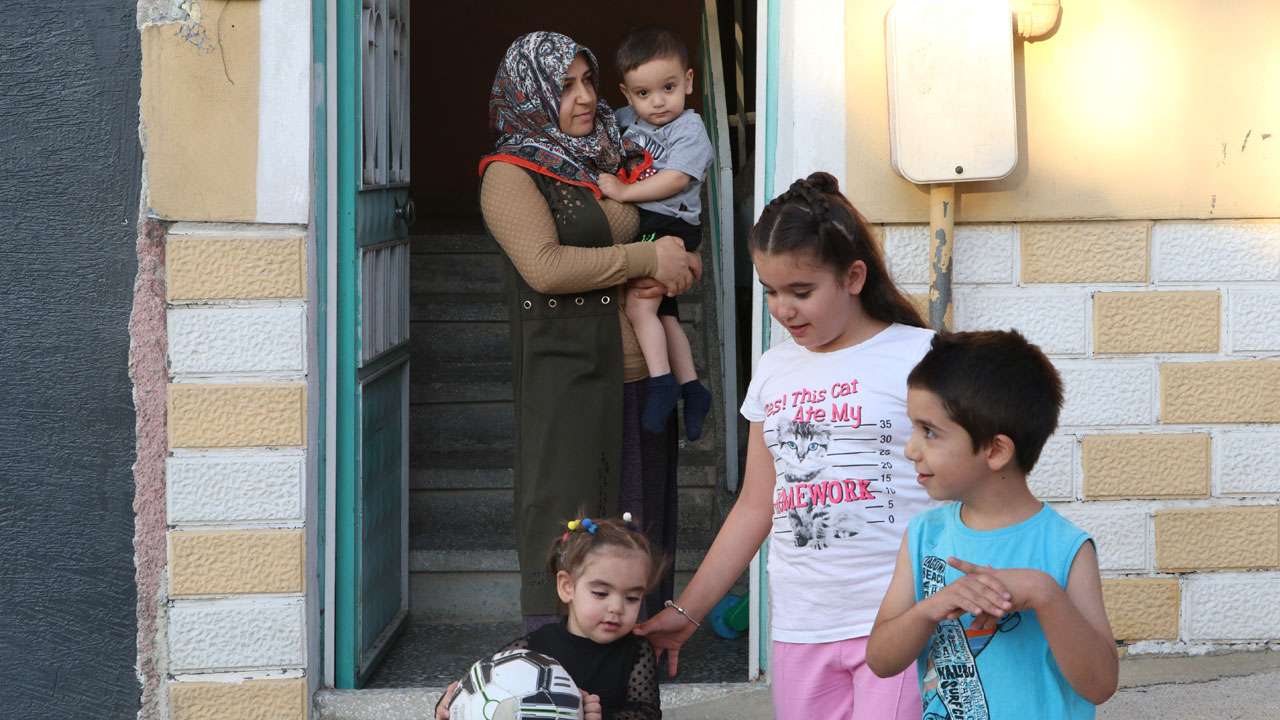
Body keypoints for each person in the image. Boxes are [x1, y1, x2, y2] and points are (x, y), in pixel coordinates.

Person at [636, 172, 935, 720]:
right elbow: (756, 505)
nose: (783, 310)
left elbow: (967, 490)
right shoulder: (774, 369)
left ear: (853, 276)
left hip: (901, 622)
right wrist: (688, 611)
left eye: (801, 292)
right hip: (801, 626)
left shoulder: (922, 357)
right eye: (770, 291)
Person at [479, 32, 700, 632]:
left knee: (641, 529)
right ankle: (565, 670)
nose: (583, 97)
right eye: (564, 86)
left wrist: (681, 261)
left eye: (588, 81)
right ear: (529, 94)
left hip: (639, 382)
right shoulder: (509, 174)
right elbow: (546, 268)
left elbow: (663, 231)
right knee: (575, 532)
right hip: (570, 385)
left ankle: (639, 662)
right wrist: (648, 262)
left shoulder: (614, 153)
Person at [866, 330, 1118, 718]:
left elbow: (1100, 684)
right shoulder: (925, 535)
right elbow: (881, 660)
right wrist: (933, 606)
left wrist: (1043, 592)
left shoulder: (1067, 547)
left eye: (929, 432)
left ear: (995, 450)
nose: (911, 449)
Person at [596, 24, 714, 441]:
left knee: (638, 306)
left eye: (668, 87)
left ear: (688, 81)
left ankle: (662, 384)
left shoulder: (689, 129)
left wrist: (625, 192)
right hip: (651, 225)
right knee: (664, 314)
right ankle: (692, 388)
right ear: (627, 95)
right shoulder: (626, 119)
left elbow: (676, 179)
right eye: (643, 93)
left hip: (671, 223)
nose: (658, 102)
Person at [436, 515, 663, 720]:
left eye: (632, 598)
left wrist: (602, 716)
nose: (616, 608)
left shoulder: (637, 651)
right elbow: (483, 686)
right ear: (567, 587)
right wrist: (447, 706)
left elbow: (647, 712)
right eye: (601, 593)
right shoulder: (532, 648)